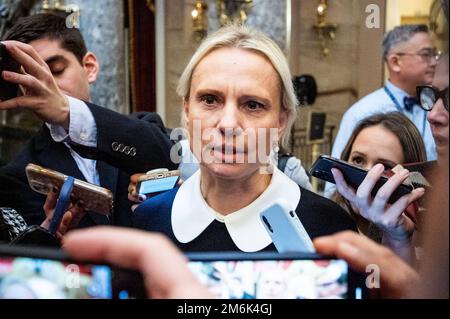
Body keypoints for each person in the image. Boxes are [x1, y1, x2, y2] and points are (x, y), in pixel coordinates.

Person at [126, 24, 356, 253]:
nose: (228, 124)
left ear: (281, 121)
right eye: (209, 99)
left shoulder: (330, 228)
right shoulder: (148, 222)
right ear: (187, 111)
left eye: (253, 105)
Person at [0, 14, 176, 229]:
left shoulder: (144, 128)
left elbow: (174, 157)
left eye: (56, 70)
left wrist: (67, 112)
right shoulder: (18, 174)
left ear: (90, 67)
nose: (47, 86)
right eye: (33, 79)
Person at [325, 24, 438, 198]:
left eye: (434, 54)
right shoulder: (362, 112)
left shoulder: (438, 108)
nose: (434, 62)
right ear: (395, 62)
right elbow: (335, 183)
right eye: (426, 55)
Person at [330, 112, 427, 260]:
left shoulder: (428, 240)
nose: (368, 175)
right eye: (357, 160)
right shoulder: (323, 218)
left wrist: (400, 241)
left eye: (384, 166)